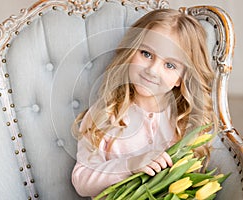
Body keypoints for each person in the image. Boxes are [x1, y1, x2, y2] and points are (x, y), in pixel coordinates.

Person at [71, 8, 218, 198]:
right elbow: (81, 181)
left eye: (170, 65)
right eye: (146, 54)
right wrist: (130, 165)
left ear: (180, 79)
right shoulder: (104, 115)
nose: (152, 70)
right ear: (131, 52)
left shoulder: (185, 122)